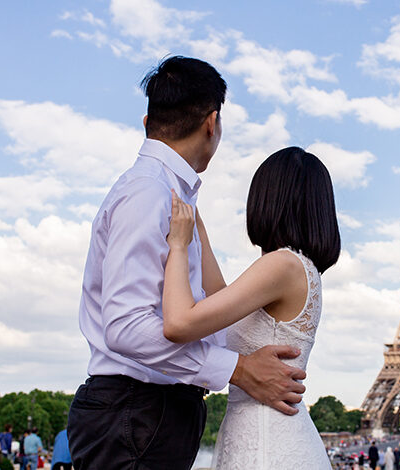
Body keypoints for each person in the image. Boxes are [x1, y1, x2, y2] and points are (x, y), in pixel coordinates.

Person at [68, 56, 307, 470]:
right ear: (211, 123)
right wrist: (238, 369)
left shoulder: (170, 198)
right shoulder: (150, 194)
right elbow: (126, 326)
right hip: (138, 413)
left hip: (143, 414)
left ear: (148, 122)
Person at [163, 146, 341, 468]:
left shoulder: (283, 265)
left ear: (266, 200)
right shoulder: (296, 269)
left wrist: (178, 245)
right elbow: (219, 295)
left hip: (266, 442)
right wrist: (196, 223)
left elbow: (178, 323)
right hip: (271, 435)